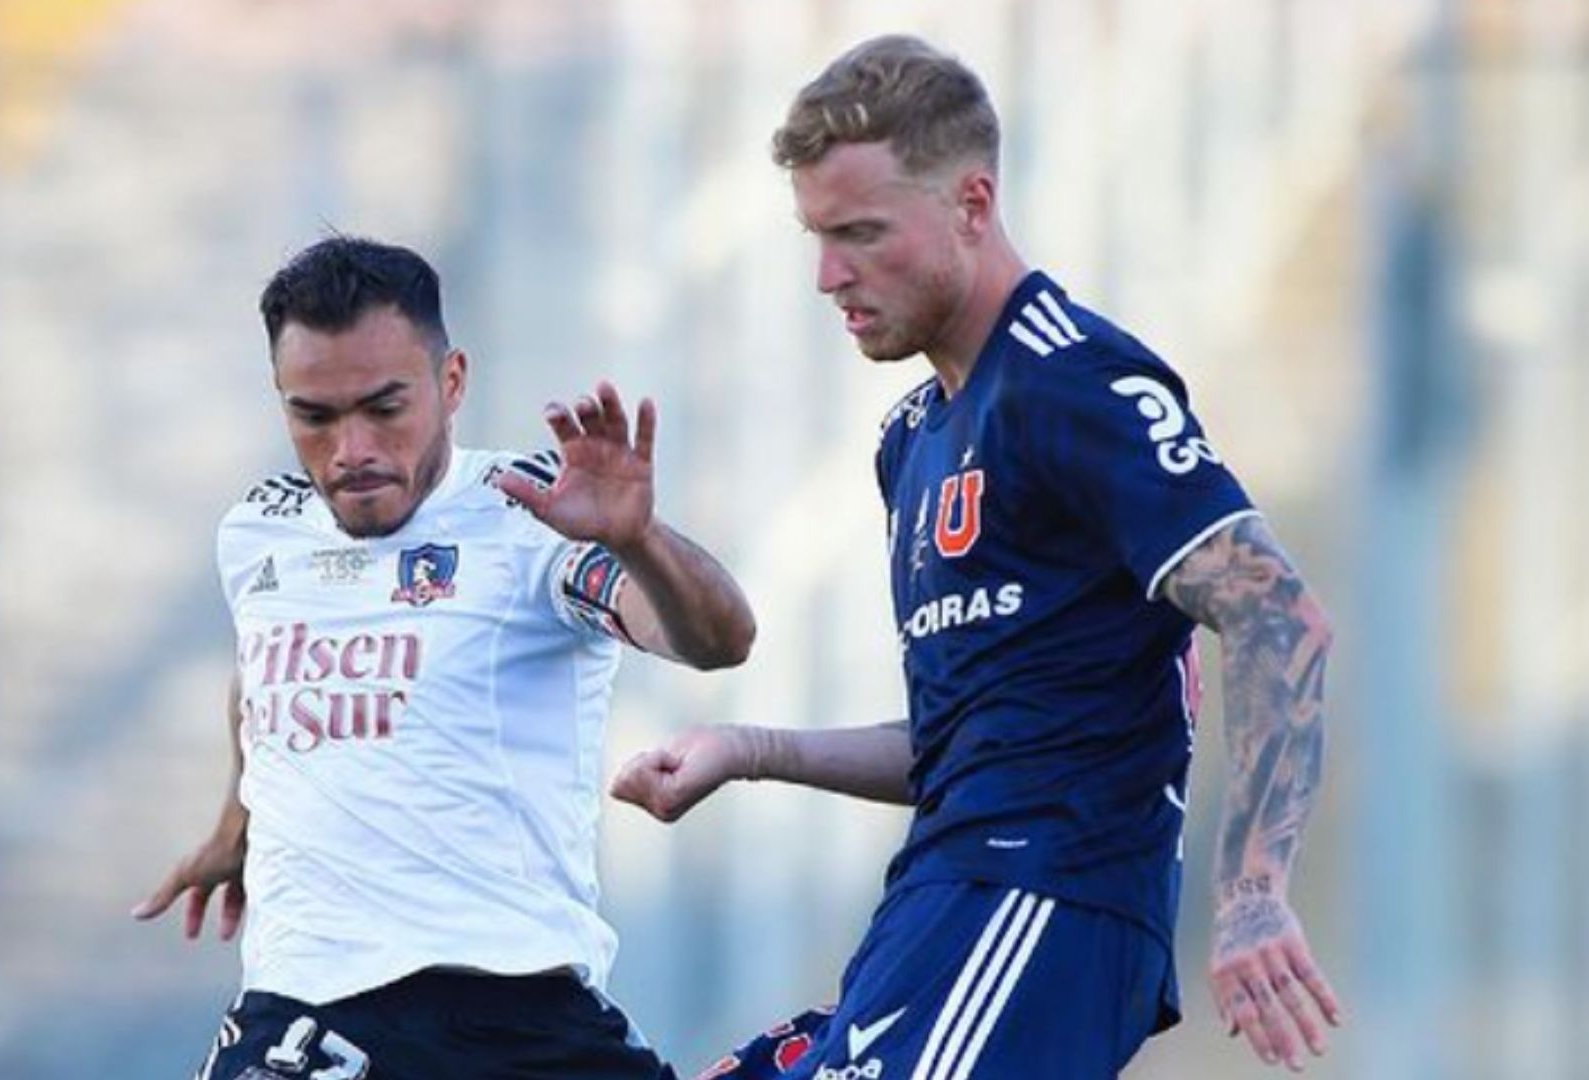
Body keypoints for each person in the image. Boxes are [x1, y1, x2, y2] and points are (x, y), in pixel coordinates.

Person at [613, 35, 1342, 1078]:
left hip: (1043, 900)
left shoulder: (1072, 384)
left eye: (861, 233)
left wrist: (1255, 893)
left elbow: (1279, 613)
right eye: (817, 237)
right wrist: (753, 749)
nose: (829, 275)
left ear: (971, 203)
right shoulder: (913, 438)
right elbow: (973, 738)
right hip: (937, 908)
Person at [133, 236, 754, 1080]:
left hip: (523, 1011)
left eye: (383, 407)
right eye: (313, 416)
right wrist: (239, 821)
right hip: (313, 1010)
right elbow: (266, 663)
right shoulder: (258, 530)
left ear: (451, 382)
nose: (350, 449)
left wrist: (639, 540)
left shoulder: (531, 513)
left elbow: (717, 640)